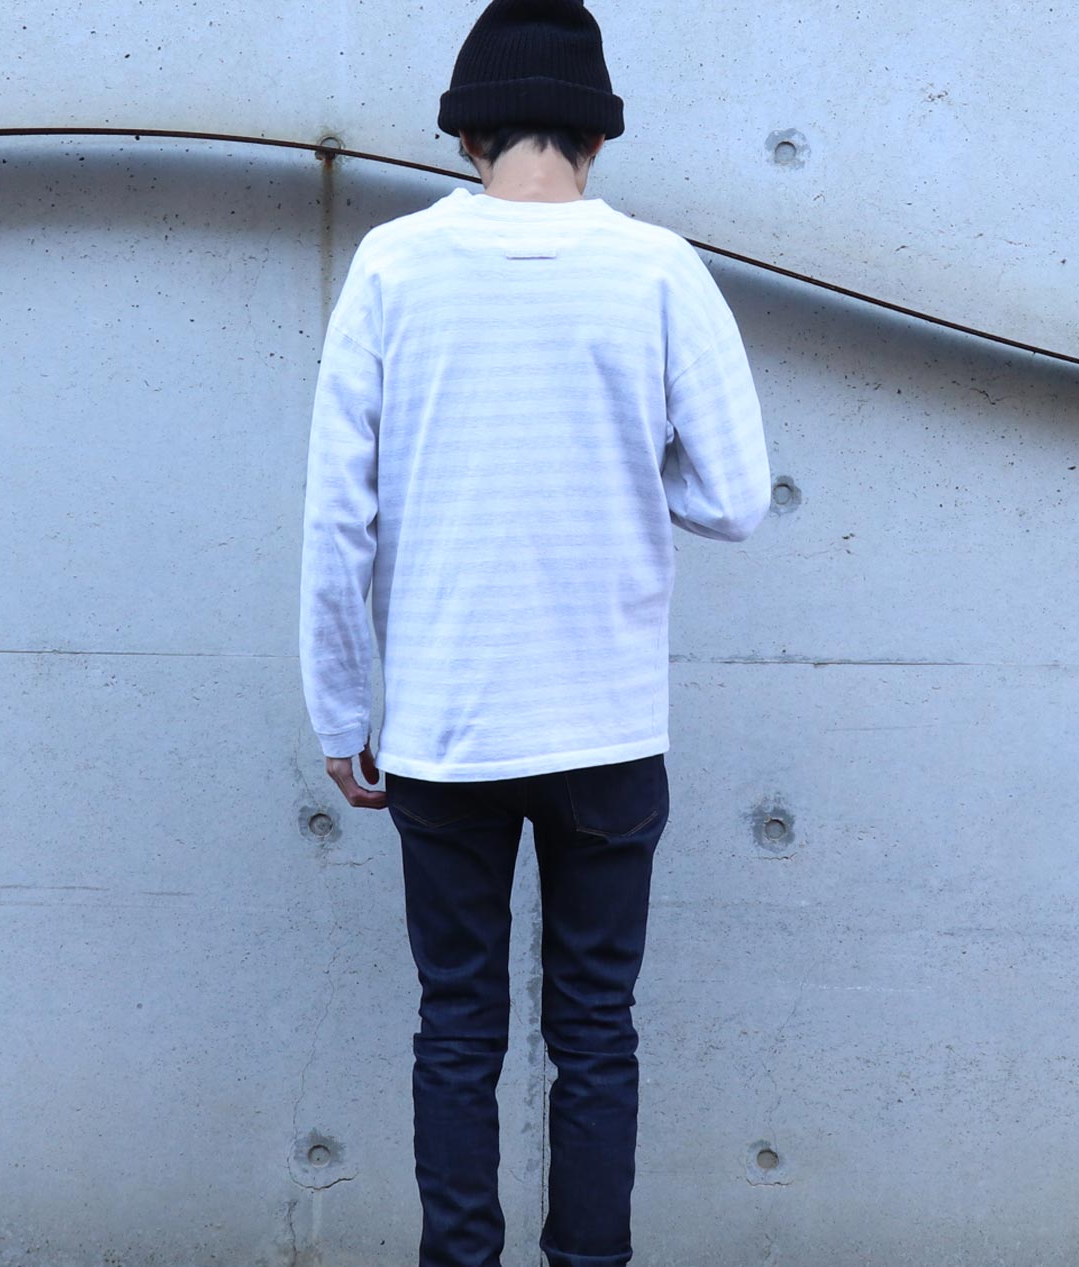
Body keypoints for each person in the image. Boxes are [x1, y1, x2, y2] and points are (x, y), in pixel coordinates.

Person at [298, 1, 772, 1262]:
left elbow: (337, 517)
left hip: (447, 728)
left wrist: (341, 711)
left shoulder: (395, 266)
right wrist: (619, 468)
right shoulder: (658, 268)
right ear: (595, 137)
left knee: (457, 1030)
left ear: (469, 134)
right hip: (606, 729)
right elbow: (734, 498)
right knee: (596, 1031)